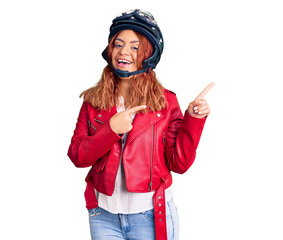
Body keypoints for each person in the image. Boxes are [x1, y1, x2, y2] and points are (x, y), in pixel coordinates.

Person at [67, 9, 214, 240]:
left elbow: (179, 163)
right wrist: (111, 131)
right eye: (118, 44)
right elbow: (77, 156)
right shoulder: (92, 101)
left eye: (134, 47)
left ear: (148, 55)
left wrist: (193, 120)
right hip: (103, 216)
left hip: (150, 216)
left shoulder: (166, 102)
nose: (123, 51)